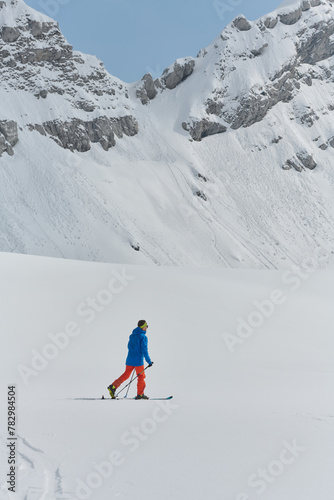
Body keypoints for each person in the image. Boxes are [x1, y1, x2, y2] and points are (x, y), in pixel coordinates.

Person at [108, 320, 153, 400]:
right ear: (143, 327)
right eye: (146, 326)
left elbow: (129, 347)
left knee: (126, 375)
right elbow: (144, 350)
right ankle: (140, 394)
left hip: (129, 360)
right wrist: (149, 361)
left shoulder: (132, 336)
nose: (147, 328)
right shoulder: (143, 337)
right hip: (138, 362)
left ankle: (113, 386)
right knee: (141, 377)